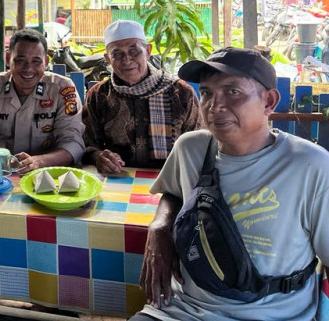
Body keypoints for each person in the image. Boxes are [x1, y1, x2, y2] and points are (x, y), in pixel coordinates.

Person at [132, 47, 329, 321]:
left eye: (233, 92)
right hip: (181, 310)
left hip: (271, 315)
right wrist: (160, 226)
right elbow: (174, 193)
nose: (215, 106)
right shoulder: (191, 148)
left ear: (269, 101)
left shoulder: (310, 166)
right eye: (207, 93)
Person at [82, 20, 201, 174]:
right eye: (117, 54)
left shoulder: (181, 93)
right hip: (118, 181)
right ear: (107, 59)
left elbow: (199, 145)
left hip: (172, 181)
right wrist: (98, 157)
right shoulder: (99, 96)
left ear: (148, 50)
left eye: (134, 51)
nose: (126, 59)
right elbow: (87, 143)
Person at [0, 28, 85, 174]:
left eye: (36, 61)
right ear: (9, 59)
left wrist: (38, 161)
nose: (28, 69)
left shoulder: (62, 89)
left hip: (47, 174)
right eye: (20, 61)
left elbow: (73, 144)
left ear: (46, 61)